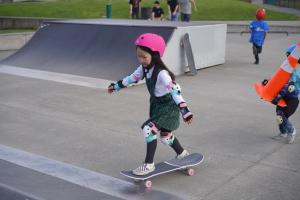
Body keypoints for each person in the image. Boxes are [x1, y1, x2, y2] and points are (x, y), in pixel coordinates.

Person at [108, 33, 193, 175]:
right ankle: (182, 154)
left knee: (149, 129)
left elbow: (175, 90)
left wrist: (185, 111)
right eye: (138, 56)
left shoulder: (162, 73)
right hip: (157, 106)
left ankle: (148, 164)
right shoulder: (144, 68)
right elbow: (132, 78)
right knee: (165, 136)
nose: (141, 60)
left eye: (144, 57)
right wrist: (116, 86)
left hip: (168, 107)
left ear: (154, 55)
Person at [267, 44, 300, 144]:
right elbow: (280, 81)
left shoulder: (296, 70)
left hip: (292, 99)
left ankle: (292, 131)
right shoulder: (289, 68)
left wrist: (292, 84)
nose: (287, 58)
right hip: (284, 97)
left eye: (289, 56)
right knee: (279, 116)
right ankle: (283, 133)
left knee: (281, 117)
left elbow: (292, 82)